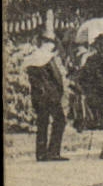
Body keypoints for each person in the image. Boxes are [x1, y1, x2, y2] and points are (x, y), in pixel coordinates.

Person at [23, 31, 70, 162]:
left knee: (42, 123)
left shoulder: (31, 60)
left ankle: (41, 153)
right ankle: (53, 152)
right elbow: (57, 77)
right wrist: (61, 91)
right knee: (60, 120)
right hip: (52, 96)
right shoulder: (49, 59)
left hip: (38, 96)